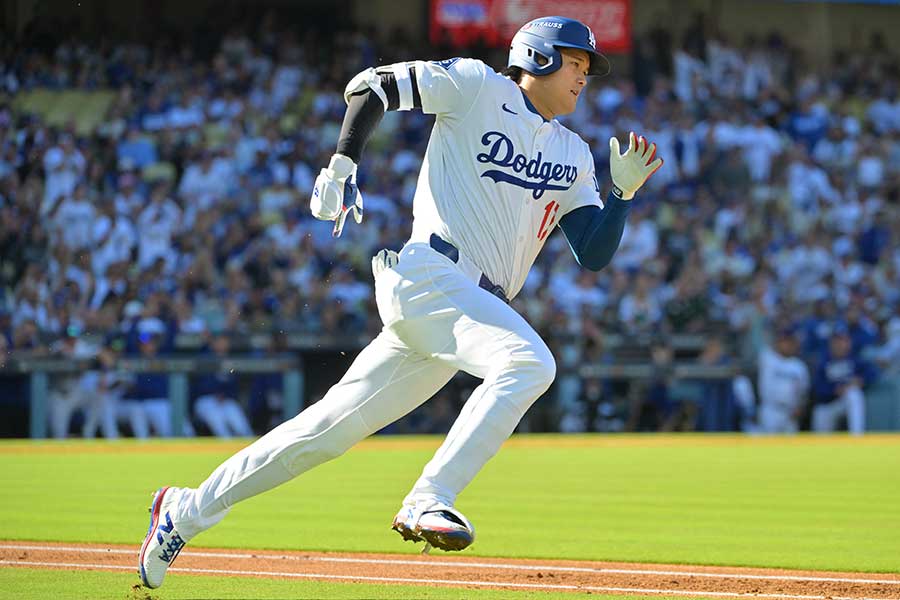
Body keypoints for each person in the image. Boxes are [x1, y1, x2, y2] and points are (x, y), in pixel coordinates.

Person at [139, 16, 663, 589]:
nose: (584, 76)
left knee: (322, 433)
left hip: (458, 312)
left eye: (588, 68)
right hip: (431, 275)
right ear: (537, 57)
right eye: (576, 63)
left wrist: (621, 194)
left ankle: (184, 510)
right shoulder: (476, 86)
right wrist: (342, 162)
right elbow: (371, 86)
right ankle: (429, 497)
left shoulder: (573, 152)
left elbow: (593, 253)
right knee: (529, 362)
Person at [756, 326, 810, 434]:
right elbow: (760, 336)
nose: (786, 345)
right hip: (770, 410)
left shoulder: (799, 366)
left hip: (790, 413)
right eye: (783, 341)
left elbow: (804, 392)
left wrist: (800, 408)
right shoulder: (767, 358)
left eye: (789, 342)